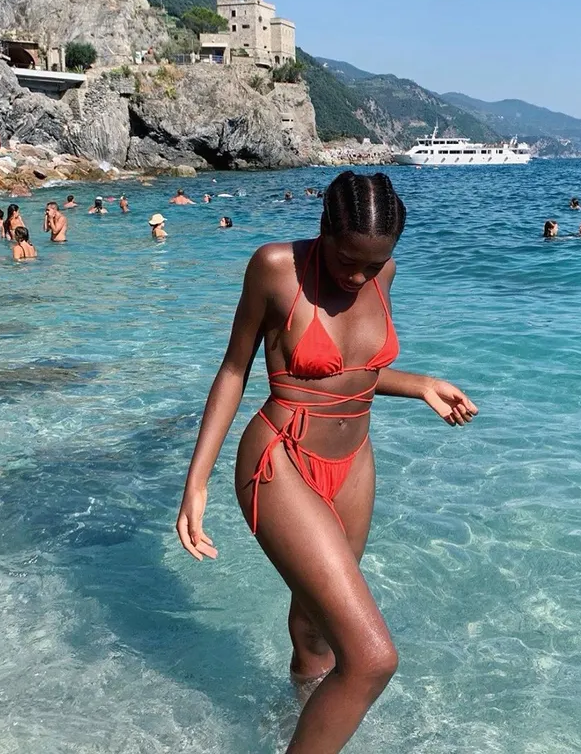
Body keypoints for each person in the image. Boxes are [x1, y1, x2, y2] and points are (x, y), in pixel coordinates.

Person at [176, 171, 478, 753]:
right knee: (370, 659)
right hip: (280, 460)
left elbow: (350, 372)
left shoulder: (381, 271)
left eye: (375, 264)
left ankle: (298, 714)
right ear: (322, 230)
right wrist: (197, 483)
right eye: (347, 261)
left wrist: (419, 384)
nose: (360, 276)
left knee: (317, 630)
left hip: (353, 463)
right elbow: (235, 369)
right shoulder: (275, 267)